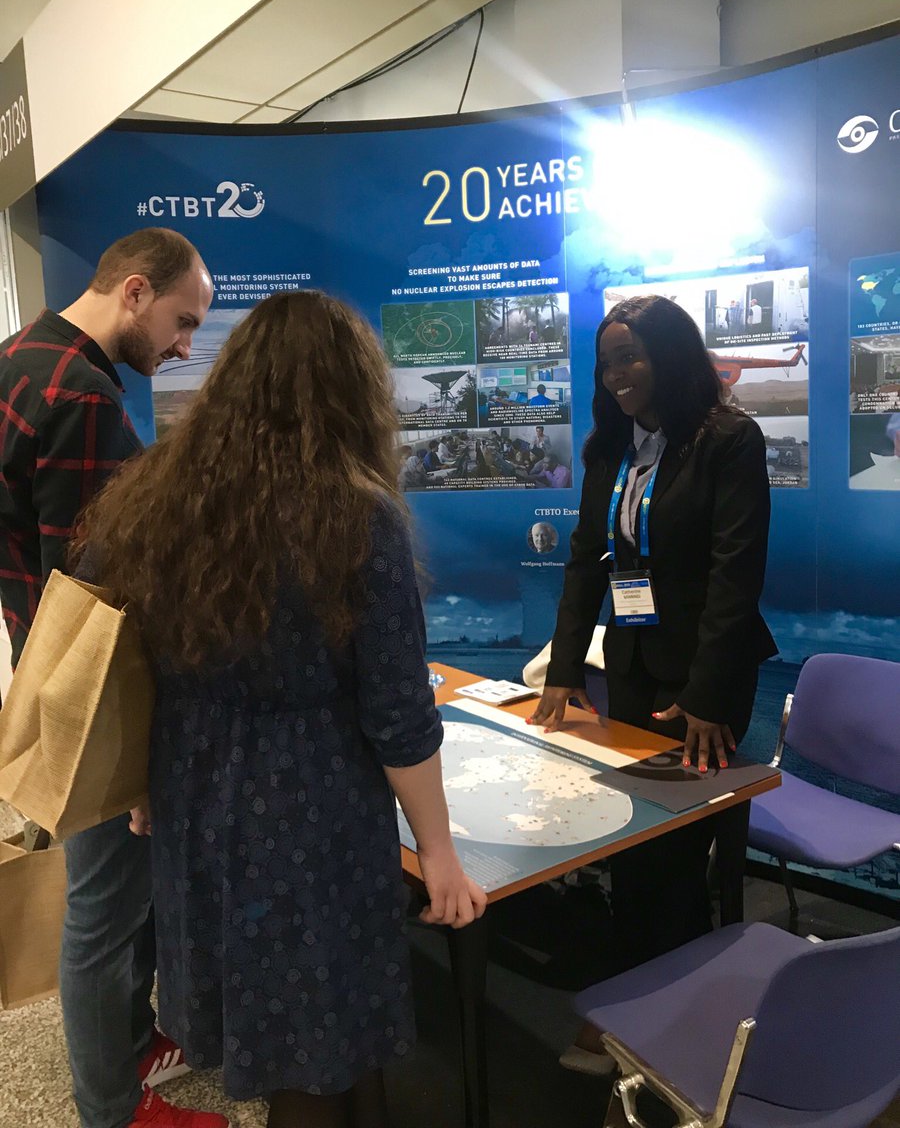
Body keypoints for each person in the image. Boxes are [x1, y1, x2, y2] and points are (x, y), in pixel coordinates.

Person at [72, 290, 487, 1128]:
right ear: (352, 390)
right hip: (311, 805)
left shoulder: (154, 496)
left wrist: (143, 782)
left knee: (274, 1015)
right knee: (319, 1024)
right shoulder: (356, 514)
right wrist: (438, 852)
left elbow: (127, 658)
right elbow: (399, 713)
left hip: (193, 788)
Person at [0, 229, 220, 1128]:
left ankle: (128, 1045)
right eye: (181, 321)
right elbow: (100, 589)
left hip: (44, 668)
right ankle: (112, 1108)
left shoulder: (16, 359)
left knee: (114, 898)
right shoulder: (82, 395)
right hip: (95, 694)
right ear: (134, 292)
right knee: (103, 906)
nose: (184, 347)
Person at [530, 295, 776, 1065]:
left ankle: (651, 1016)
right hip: (635, 667)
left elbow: (736, 576)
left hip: (707, 679)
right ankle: (657, 999)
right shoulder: (610, 448)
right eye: (607, 363)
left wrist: (706, 696)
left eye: (631, 357)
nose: (617, 375)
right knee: (636, 842)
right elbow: (585, 562)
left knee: (672, 851)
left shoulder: (729, 440)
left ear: (668, 355)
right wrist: (564, 670)